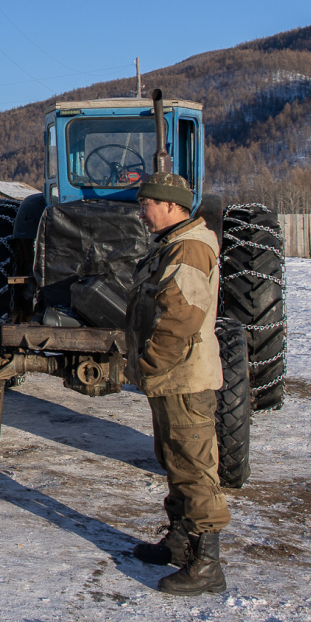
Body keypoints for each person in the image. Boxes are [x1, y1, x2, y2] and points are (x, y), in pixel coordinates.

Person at [125, 171, 231, 596]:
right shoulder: (178, 242)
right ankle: (180, 540)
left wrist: (151, 362)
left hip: (182, 376)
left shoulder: (188, 247)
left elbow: (181, 316)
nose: (142, 212)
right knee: (174, 458)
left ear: (170, 205)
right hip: (173, 376)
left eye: (146, 203)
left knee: (194, 465)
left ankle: (207, 564)